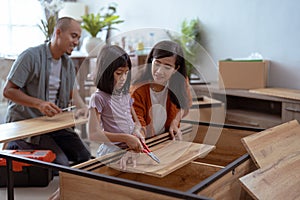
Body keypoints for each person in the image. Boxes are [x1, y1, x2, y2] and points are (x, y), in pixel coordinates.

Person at [2, 17, 91, 166]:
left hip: (53, 124)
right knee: (60, 164)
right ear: (58, 32)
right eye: (73, 36)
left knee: (84, 156)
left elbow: (72, 90)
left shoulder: (67, 63)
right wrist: (39, 104)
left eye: (78, 38)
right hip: (28, 126)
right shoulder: (30, 56)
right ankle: (15, 143)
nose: (76, 42)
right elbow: (8, 91)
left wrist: (82, 108)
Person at [88, 44, 143, 158]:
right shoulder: (98, 98)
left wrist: (137, 131)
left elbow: (136, 122)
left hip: (128, 148)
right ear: (106, 72)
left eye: (126, 73)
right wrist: (125, 138)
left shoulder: (126, 95)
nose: (123, 78)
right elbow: (94, 134)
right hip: (112, 151)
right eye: (119, 73)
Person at [131, 40, 192, 140]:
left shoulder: (181, 82)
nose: (159, 71)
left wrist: (175, 121)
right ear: (151, 61)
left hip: (166, 139)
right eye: (157, 63)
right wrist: (140, 136)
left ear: (176, 69)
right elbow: (138, 122)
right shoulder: (137, 90)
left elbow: (185, 106)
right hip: (147, 141)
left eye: (167, 67)